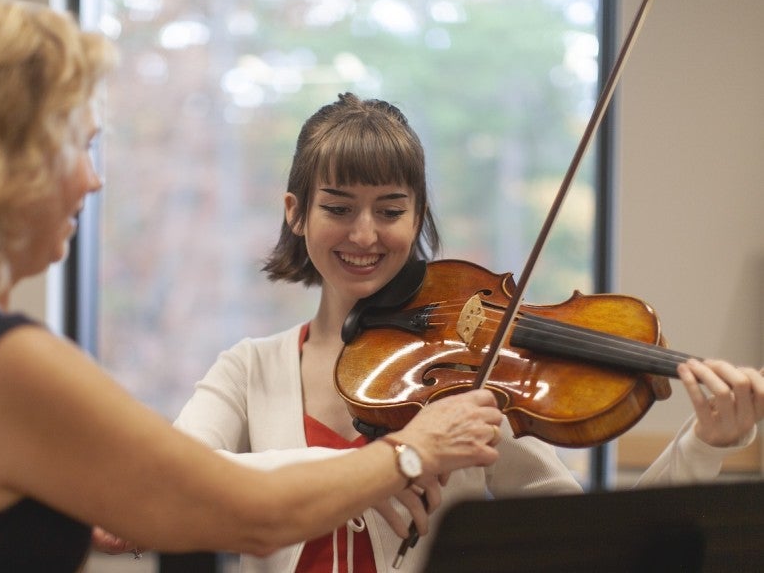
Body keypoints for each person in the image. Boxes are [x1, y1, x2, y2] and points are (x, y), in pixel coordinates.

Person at [0, 0, 507, 571]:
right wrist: (410, 452)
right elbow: (242, 511)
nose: (93, 179)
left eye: (390, 210)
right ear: (2, 164)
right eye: (76, 146)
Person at [174, 92, 764, 572]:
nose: (365, 234)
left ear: (416, 217)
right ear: (296, 212)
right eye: (338, 208)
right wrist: (382, 468)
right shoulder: (249, 370)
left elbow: (600, 548)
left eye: (390, 210)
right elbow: (174, 485)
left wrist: (702, 446)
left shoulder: (469, 375)